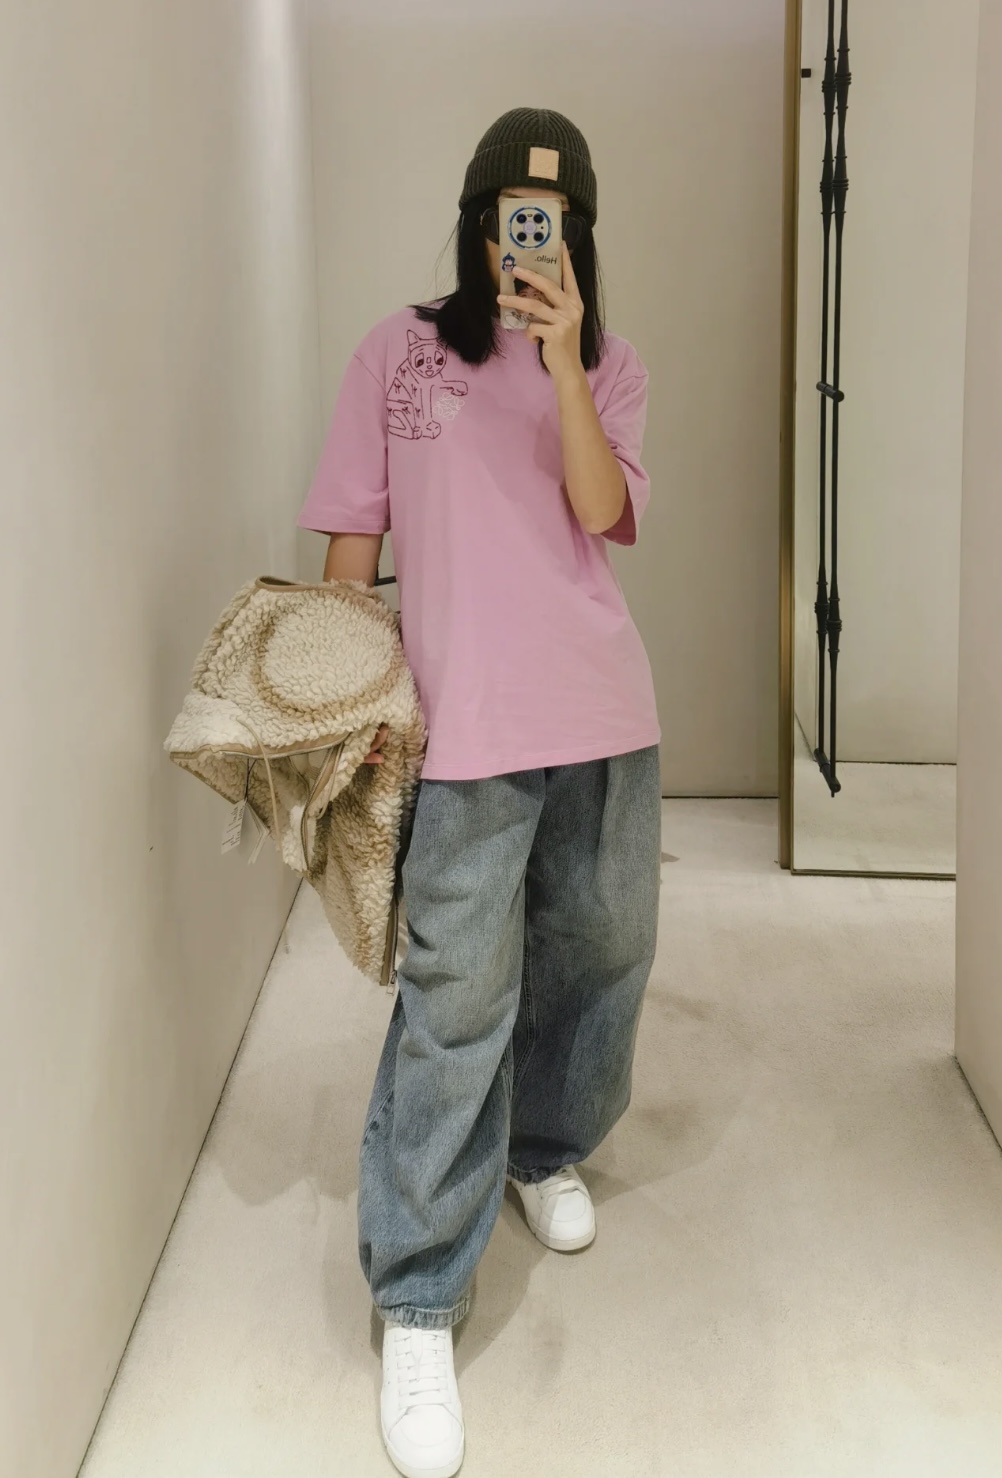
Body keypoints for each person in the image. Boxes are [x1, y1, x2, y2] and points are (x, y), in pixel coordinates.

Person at [297, 107, 662, 1478]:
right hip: (458, 729)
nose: (531, 238)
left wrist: (562, 361)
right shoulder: (396, 354)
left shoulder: (609, 364)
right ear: (477, 219)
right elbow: (351, 538)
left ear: (579, 235)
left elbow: (599, 510)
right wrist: (354, 706)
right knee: (457, 1000)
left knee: (601, 949)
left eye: (553, 221)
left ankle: (542, 1145)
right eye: (513, 215)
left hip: (601, 711)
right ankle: (416, 1295)